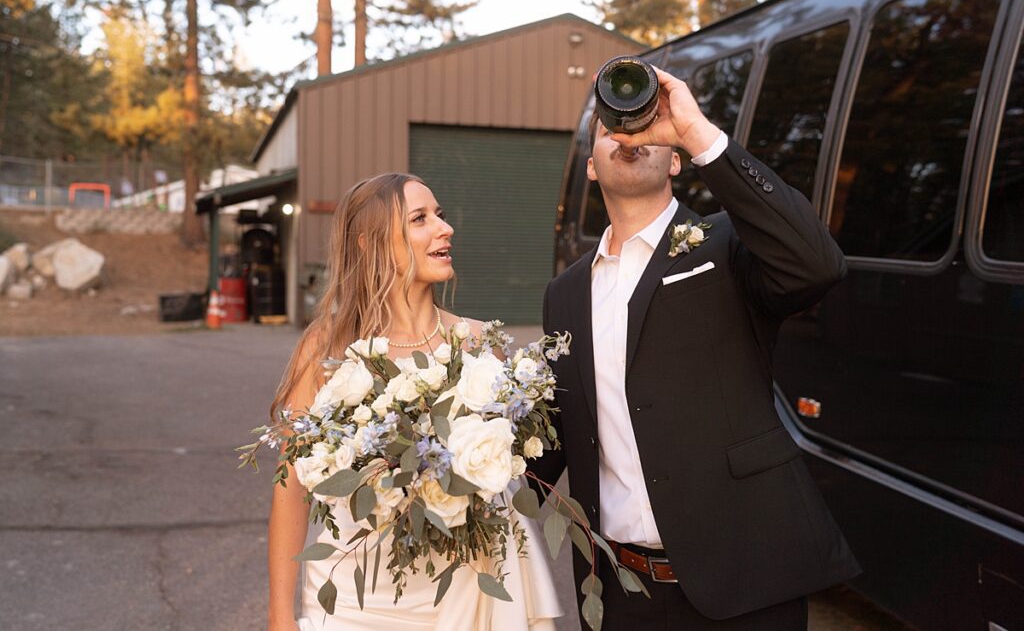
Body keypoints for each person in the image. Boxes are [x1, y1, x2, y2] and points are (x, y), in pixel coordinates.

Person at [528, 67, 861, 629]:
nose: (627, 136)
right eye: (609, 129)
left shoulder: (729, 246)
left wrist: (694, 128)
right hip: (619, 592)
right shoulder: (563, 295)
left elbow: (817, 264)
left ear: (676, 158)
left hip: (749, 583)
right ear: (590, 166)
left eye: (644, 126)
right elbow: (556, 438)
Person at [267, 173, 562, 631]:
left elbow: (511, 476)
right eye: (420, 219)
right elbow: (291, 489)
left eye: (440, 216)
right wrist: (279, 616)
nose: (445, 229)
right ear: (369, 243)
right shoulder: (326, 349)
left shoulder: (482, 346)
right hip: (351, 594)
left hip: (464, 588)